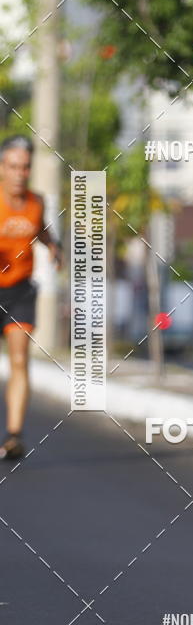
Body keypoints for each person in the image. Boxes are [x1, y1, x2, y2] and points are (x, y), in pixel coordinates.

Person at [0, 135, 62, 460]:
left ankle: (14, 436)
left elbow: (40, 229)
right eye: (13, 167)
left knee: (19, 359)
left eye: (25, 167)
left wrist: (53, 247)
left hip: (20, 291)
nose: (19, 173)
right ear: (2, 168)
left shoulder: (36, 202)